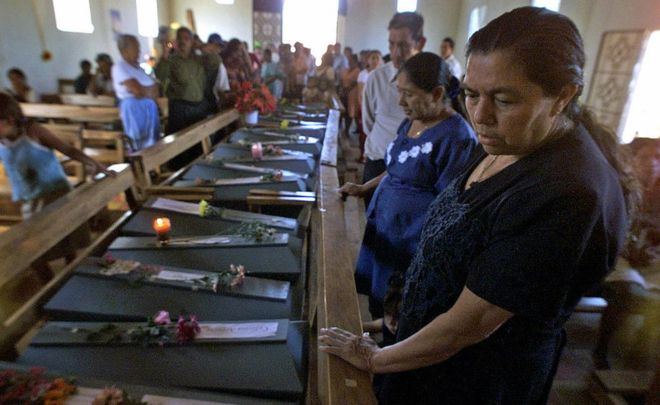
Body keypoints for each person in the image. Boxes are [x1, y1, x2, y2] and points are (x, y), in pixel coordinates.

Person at [320, 7, 635, 404]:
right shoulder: (503, 140)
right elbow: (447, 257)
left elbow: (474, 321)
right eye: (471, 94)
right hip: (421, 351)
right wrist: (392, 324)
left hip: (473, 380)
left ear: (562, 97)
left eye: (503, 100)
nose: (481, 116)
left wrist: (375, 359)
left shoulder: (569, 191)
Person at [341, 52, 477, 342]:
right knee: (380, 300)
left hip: (412, 244)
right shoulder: (410, 123)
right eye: (399, 92)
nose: (401, 102)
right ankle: (378, 348)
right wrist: (365, 188)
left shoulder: (456, 137)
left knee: (401, 311)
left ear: (438, 93)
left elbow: (449, 206)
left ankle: (390, 362)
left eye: (409, 94)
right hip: (386, 231)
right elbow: (396, 169)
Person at [0, 93, 112, 280]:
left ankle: (72, 278)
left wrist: (94, 164)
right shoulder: (2, 141)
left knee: (67, 242)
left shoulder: (34, 132)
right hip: (29, 201)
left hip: (57, 195)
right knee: (33, 253)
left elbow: (68, 149)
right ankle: (50, 287)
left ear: (9, 119)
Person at [594, 137, 660, 369]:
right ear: (630, 160)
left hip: (646, 260)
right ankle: (602, 352)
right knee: (627, 290)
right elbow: (605, 231)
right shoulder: (617, 185)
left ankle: (641, 349)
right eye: (645, 157)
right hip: (616, 258)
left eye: (658, 158)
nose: (653, 164)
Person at [361, 12, 425, 208]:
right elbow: (368, 123)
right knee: (371, 224)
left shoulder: (431, 83)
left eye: (403, 45)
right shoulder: (376, 79)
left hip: (414, 169)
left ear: (420, 43)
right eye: (391, 44)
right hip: (378, 160)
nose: (396, 53)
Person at [155, 27, 220, 135]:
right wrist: (165, 55)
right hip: (180, 109)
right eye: (180, 38)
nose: (183, 41)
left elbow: (216, 63)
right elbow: (160, 75)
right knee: (181, 144)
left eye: (186, 38)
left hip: (198, 108)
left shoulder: (199, 59)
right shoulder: (171, 60)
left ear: (192, 41)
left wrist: (201, 47)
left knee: (198, 144)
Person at [112, 34, 160, 151]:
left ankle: (153, 166)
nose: (139, 51)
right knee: (138, 143)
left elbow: (156, 88)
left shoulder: (138, 67)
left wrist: (147, 90)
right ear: (124, 50)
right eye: (136, 48)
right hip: (134, 109)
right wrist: (148, 90)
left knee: (152, 143)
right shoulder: (119, 67)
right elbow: (138, 90)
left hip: (148, 107)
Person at [356, 50, 382, 162]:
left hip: (379, 108)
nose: (375, 61)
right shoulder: (363, 74)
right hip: (365, 107)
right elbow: (360, 92)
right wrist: (363, 107)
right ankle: (363, 153)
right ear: (368, 60)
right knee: (363, 132)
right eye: (373, 58)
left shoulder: (383, 75)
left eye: (377, 58)